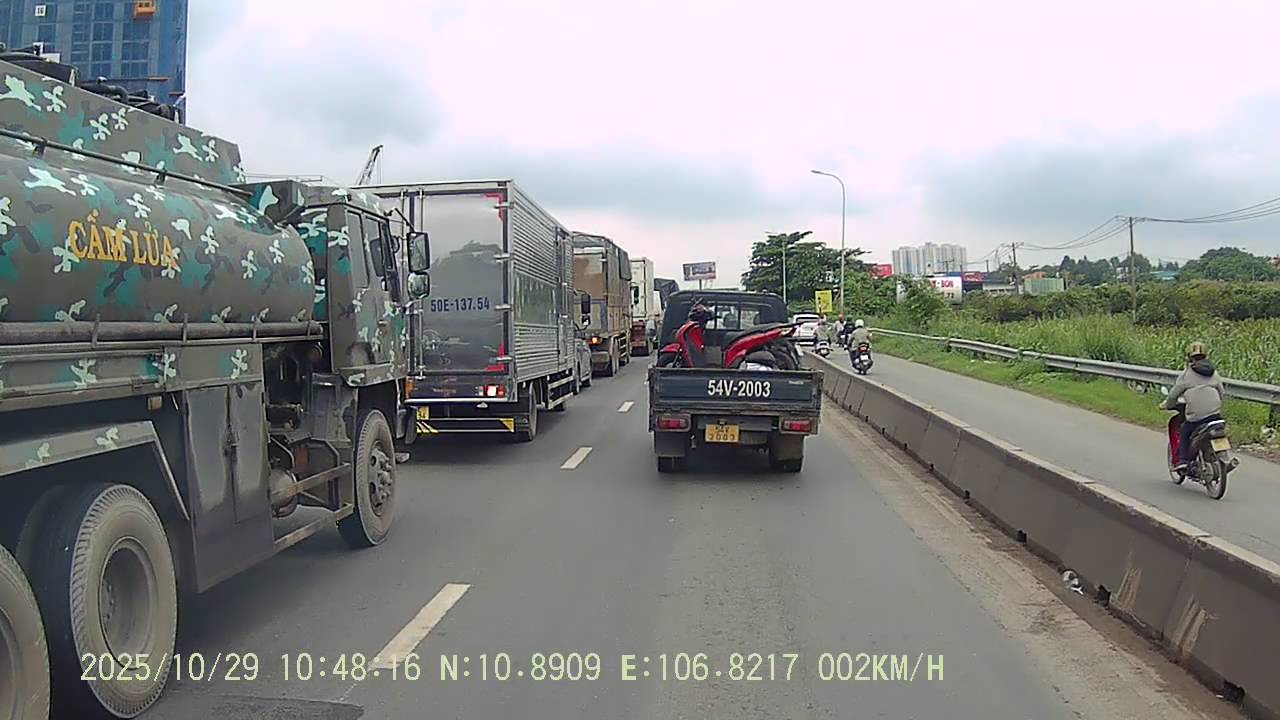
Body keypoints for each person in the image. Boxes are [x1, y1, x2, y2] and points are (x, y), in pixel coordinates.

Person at [1161, 342, 1225, 470]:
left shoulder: (1187, 374)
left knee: (1184, 432)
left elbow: (1173, 395)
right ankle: (1223, 458)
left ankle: (1184, 461)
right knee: (1219, 432)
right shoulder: (1214, 373)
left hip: (1197, 417)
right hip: (1216, 415)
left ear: (1190, 357)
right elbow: (1222, 393)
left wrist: (1168, 405)